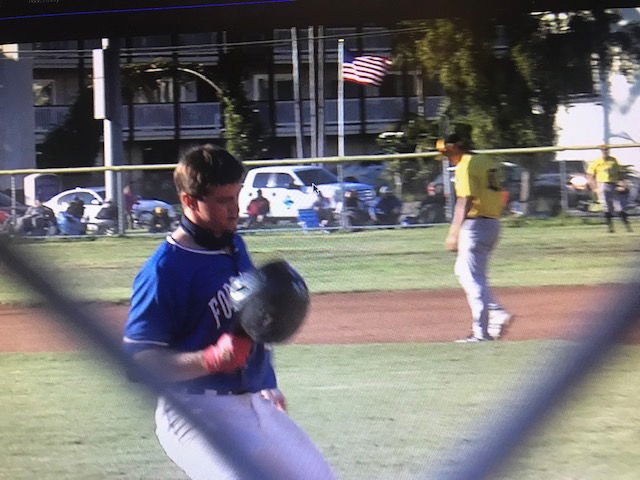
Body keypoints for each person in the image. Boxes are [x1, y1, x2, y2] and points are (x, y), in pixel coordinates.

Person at [123, 144, 335, 480]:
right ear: (189, 201)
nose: (235, 209)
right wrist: (209, 359)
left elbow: (252, 321)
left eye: (236, 196)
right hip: (193, 411)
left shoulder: (233, 244)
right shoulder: (165, 270)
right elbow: (138, 363)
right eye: (223, 201)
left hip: (253, 404)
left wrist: (266, 382)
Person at [439, 134, 513, 342]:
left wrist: (454, 232)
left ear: (456, 147)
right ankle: (496, 313)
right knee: (463, 272)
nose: (446, 158)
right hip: (491, 224)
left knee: (472, 278)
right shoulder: (485, 161)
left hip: (475, 226)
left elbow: (465, 200)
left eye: (447, 153)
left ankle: (481, 332)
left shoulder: (466, 164)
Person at [586, 145, 632, 233]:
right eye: (603, 150)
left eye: (606, 150)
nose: (605, 151)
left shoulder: (613, 160)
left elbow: (619, 173)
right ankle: (610, 228)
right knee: (606, 206)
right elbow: (590, 175)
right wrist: (594, 187)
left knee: (619, 206)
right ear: (601, 151)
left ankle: (627, 226)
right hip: (602, 184)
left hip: (613, 184)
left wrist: (623, 183)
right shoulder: (597, 161)